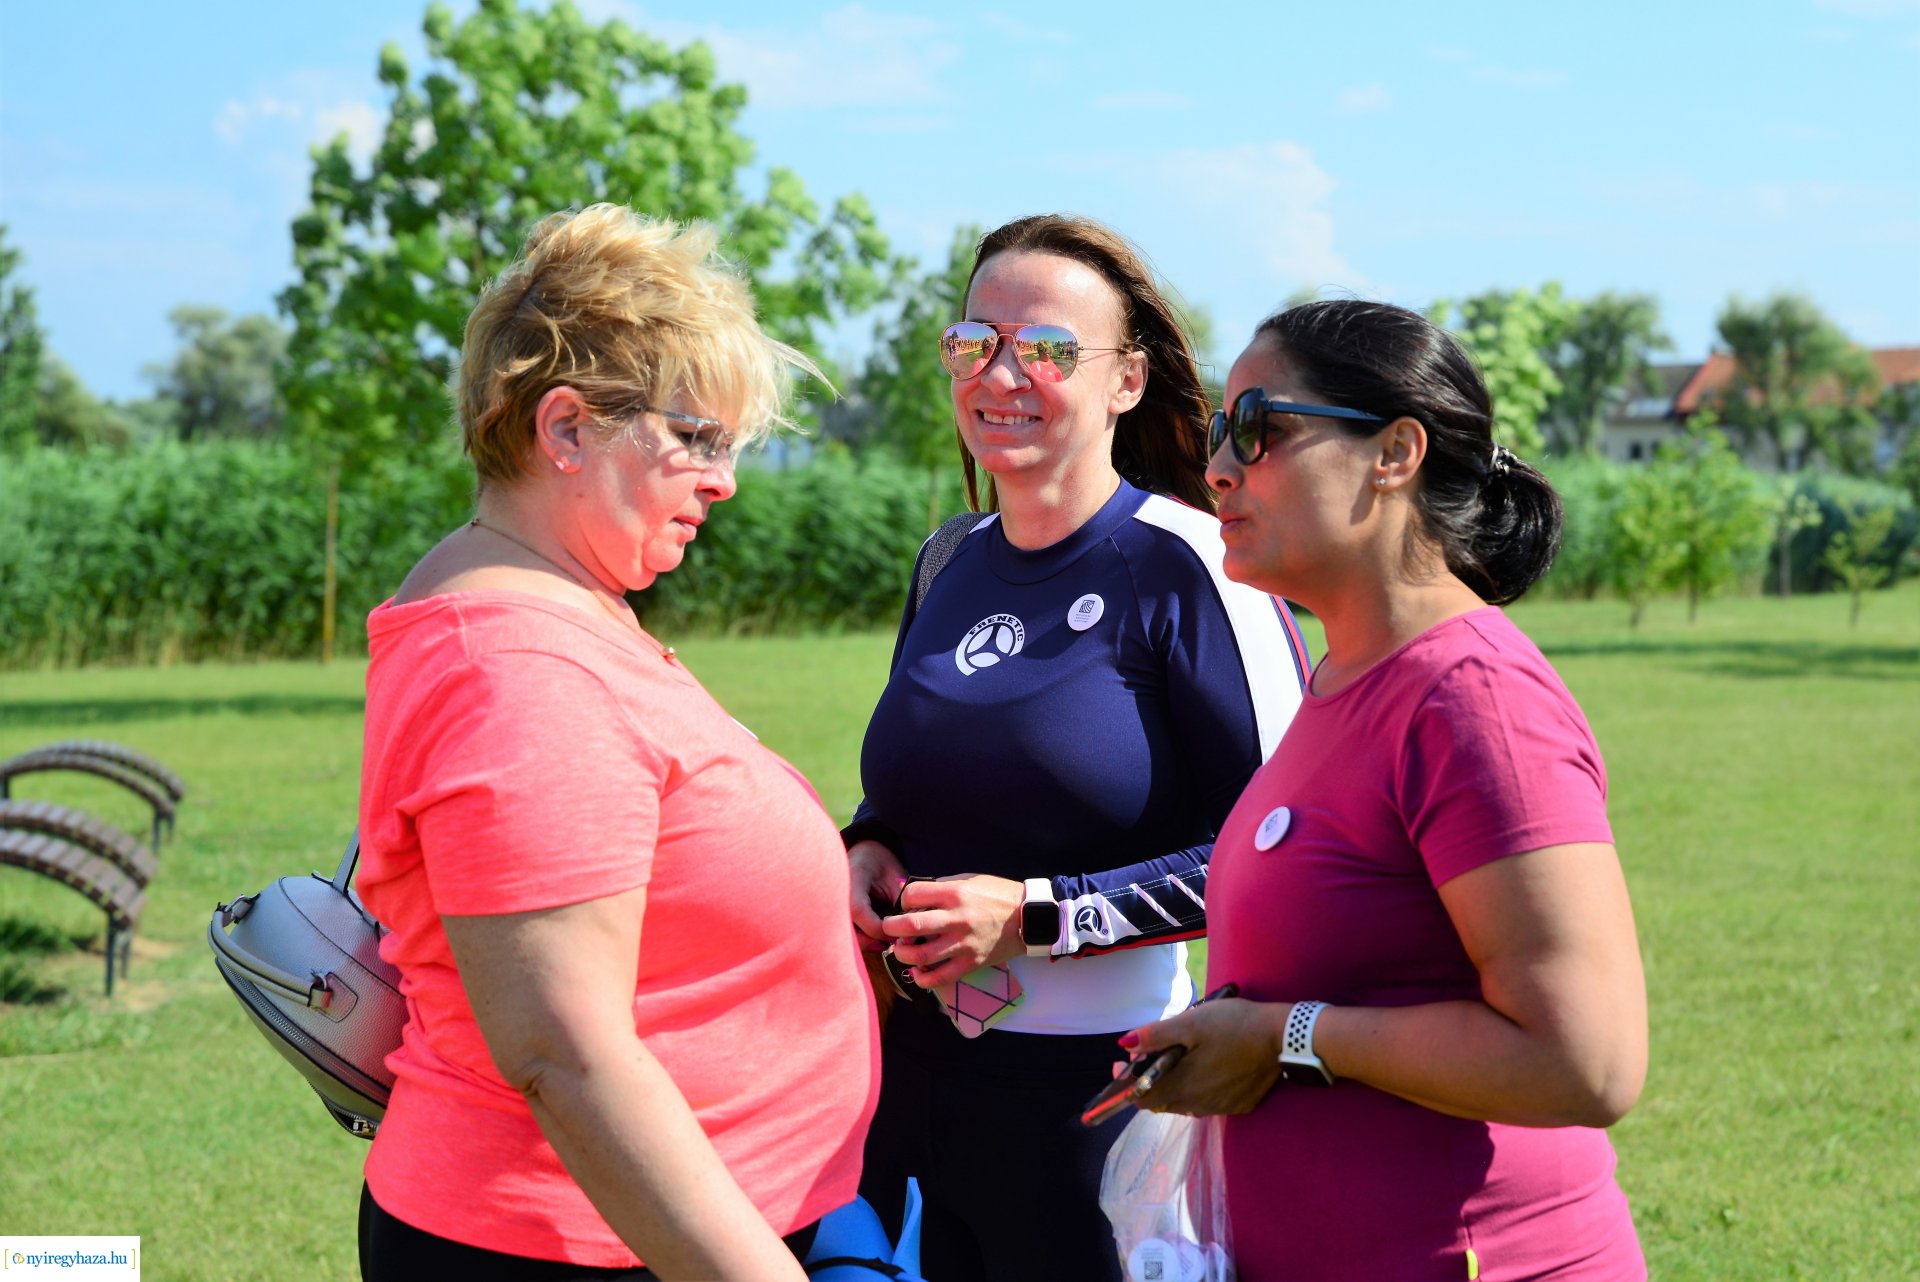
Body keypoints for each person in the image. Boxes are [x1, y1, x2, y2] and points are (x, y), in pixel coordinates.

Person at [354, 204, 879, 1281]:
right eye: (695, 438)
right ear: (566, 430)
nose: (724, 480)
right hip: (584, 1243)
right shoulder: (522, 670)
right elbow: (564, 1052)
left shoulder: (555, 608)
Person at [1125, 299, 1648, 1280]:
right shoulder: (1346, 676)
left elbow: (1590, 1060)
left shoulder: (1473, 695)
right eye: (1217, 433)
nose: (1220, 467)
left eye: (1260, 427)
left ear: (1394, 453)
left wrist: (1284, 1037)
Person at [842, 214, 1310, 1281]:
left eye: (1048, 349)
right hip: (906, 1099)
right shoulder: (947, 558)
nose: (1001, 373)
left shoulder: (1198, 565)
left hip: (1100, 1107)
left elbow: (1285, 856)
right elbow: (925, 785)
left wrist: (1039, 916)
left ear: (1127, 381)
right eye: (975, 344)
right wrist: (864, 847)